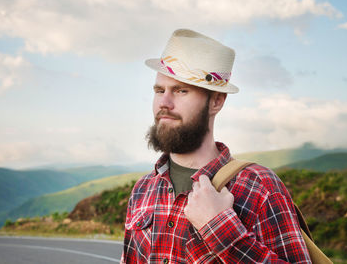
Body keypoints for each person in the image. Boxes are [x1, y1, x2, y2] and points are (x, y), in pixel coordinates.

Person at [121, 29, 311, 263]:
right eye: (159, 90)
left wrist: (220, 229)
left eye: (181, 91)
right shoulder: (143, 189)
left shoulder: (260, 188)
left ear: (216, 101)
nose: (164, 103)